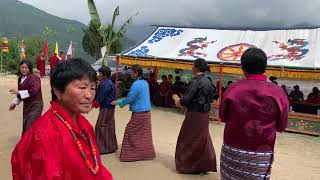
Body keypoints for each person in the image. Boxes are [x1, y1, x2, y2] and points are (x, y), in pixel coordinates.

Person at [11, 58, 113, 180]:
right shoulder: (44, 136)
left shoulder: (84, 125)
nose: (89, 95)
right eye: (82, 87)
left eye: (92, 88)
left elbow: (95, 167)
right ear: (58, 91)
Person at [219, 48, 289, 180]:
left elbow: (223, 117)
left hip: (232, 151)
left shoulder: (233, 88)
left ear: (243, 67)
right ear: (264, 67)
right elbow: (281, 126)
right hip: (261, 155)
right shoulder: (278, 92)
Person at [172, 58, 217, 174]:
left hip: (194, 115)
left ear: (196, 67)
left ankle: (188, 165)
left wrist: (177, 100)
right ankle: (204, 165)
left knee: (187, 139)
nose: (192, 68)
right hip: (204, 115)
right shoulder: (208, 82)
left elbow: (186, 100)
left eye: (193, 66)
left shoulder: (195, 81)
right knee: (202, 139)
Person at [112, 64, 155, 162]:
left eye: (131, 72)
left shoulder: (136, 85)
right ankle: (146, 154)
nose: (130, 73)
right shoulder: (145, 82)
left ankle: (130, 155)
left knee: (130, 132)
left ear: (136, 73)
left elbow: (130, 99)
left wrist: (118, 102)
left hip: (139, 113)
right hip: (146, 113)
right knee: (144, 135)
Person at [9, 60, 43, 135]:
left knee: (30, 124)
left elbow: (33, 91)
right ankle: (26, 143)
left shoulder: (34, 78)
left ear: (29, 68)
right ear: (19, 68)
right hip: (27, 105)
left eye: (26, 68)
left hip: (36, 105)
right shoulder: (20, 79)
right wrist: (14, 103)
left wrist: (18, 92)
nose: (24, 69)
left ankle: (32, 144)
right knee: (26, 123)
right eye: (22, 67)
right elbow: (21, 94)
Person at [93, 66, 118, 154]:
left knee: (101, 127)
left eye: (99, 73)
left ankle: (102, 148)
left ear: (104, 75)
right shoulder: (110, 83)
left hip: (106, 108)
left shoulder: (104, 84)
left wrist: (92, 105)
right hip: (110, 108)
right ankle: (111, 146)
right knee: (109, 126)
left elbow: (100, 98)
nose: (98, 75)